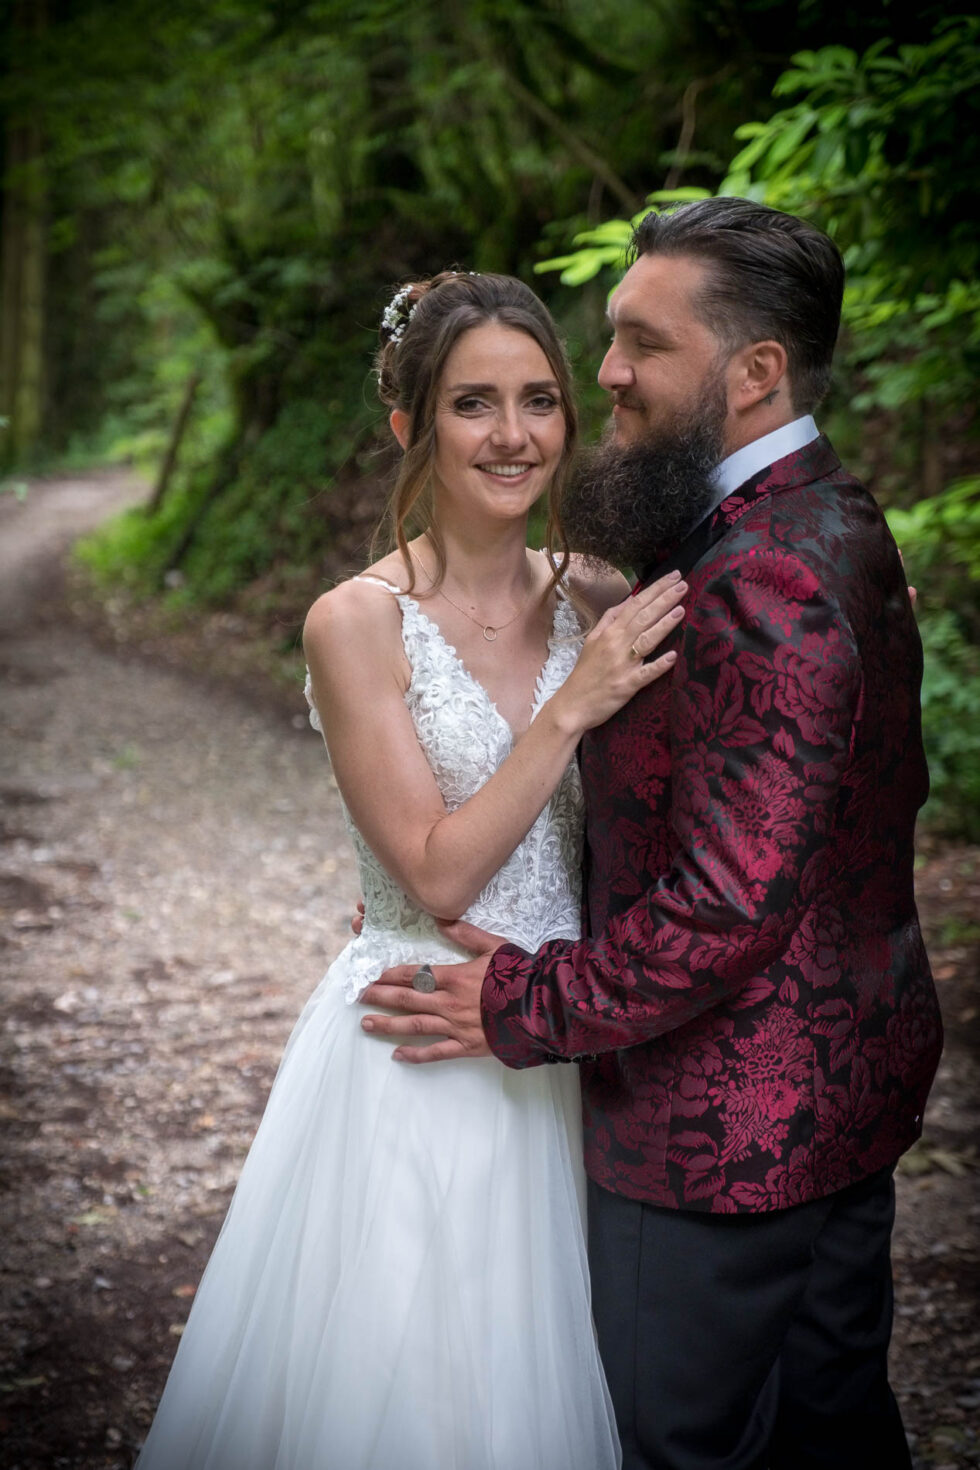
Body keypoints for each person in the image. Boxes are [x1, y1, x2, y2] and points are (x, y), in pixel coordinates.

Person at [360, 202, 945, 1470]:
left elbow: (727, 903)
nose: (606, 373)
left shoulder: (767, 570)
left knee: (676, 1446)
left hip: (716, 1132)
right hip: (835, 1092)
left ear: (753, 372)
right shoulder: (816, 523)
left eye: (640, 344)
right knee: (831, 1431)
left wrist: (518, 1002)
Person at [134, 269, 688, 1470]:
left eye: (537, 399)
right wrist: (570, 707)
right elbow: (436, 875)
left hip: (562, 1040)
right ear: (409, 426)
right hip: (420, 1046)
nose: (511, 435)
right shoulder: (355, 622)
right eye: (471, 403)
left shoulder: (596, 592)